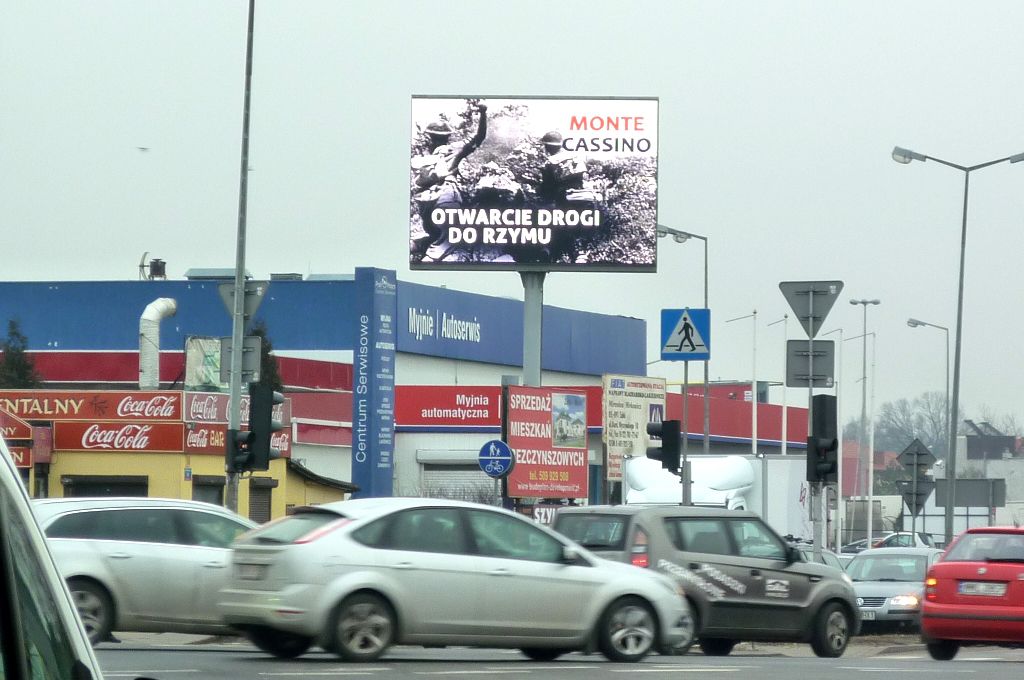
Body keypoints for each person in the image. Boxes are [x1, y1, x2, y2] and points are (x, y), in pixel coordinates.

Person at [410, 103, 487, 261]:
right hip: (446, 198)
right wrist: (483, 113)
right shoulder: (455, 149)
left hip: (425, 202)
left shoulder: (425, 156)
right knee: (453, 235)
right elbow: (479, 137)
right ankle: (430, 258)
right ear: (448, 136)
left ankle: (417, 247)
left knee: (434, 233)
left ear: (429, 137)